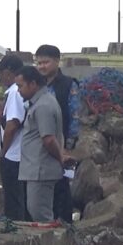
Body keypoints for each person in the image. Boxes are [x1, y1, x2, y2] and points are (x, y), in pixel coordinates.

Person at [16, 66, 70, 222]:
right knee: (37, 211)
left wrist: (60, 157)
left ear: (33, 84)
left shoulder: (43, 105)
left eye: (20, 86)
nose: (18, 91)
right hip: (37, 169)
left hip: (41, 169)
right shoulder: (42, 102)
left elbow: (48, 139)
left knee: (40, 213)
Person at [35, 44, 81, 223]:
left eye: (45, 62)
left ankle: (65, 226)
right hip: (39, 146)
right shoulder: (36, 85)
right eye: (38, 63)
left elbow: (75, 116)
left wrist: (67, 147)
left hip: (60, 145)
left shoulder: (69, 85)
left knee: (61, 187)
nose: (42, 67)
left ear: (56, 61)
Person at [0, 54, 26, 220]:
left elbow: (12, 125)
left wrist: (3, 152)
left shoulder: (15, 92)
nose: (0, 76)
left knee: (14, 203)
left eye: (1, 72)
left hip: (13, 156)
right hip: (19, 155)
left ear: (10, 72)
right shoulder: (18, 91)